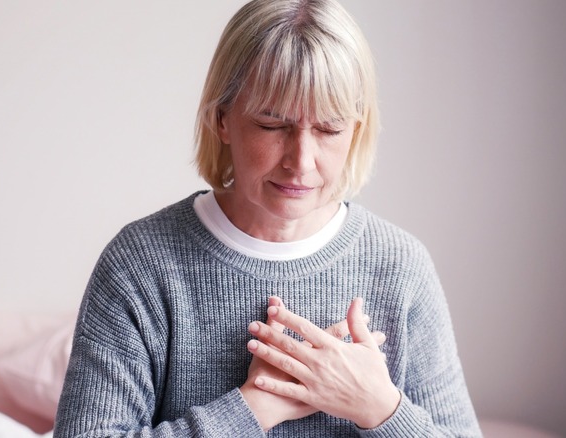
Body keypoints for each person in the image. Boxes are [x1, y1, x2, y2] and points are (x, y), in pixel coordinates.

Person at [55, 0, 481, 436]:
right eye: (272, 125)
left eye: (330, 129)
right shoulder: (141, 264)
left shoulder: (401, 266)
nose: (302, 161)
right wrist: (251, 408)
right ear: (222, 119)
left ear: (357, 129)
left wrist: (380, 408)